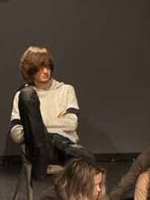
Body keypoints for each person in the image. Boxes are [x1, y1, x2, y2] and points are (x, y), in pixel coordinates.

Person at [9, 46, 94, 179]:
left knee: (86, 157)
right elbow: (15, 132)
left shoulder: (66, 90)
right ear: (30, 70)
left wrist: (34, 123)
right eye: (40, 67)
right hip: (36, 147)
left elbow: (71, 124)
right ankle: (41, 158)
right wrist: (50, 125)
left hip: (63, 146)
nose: (45, 71)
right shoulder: (22, 97)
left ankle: (42, 165)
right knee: (27, 94)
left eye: (48, 67)